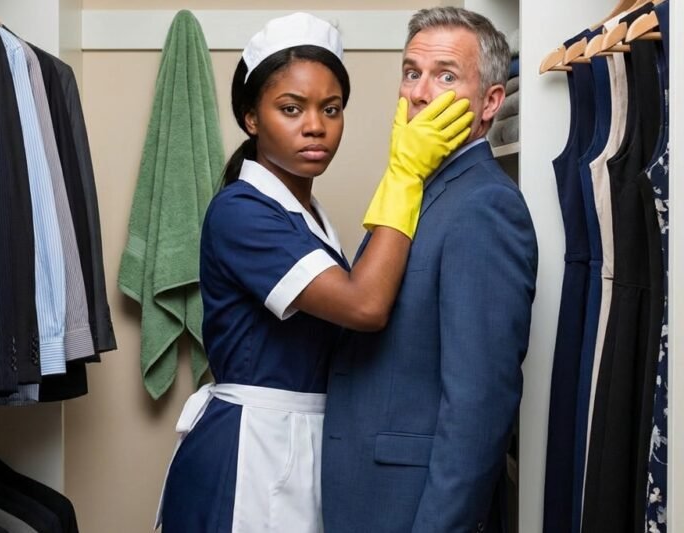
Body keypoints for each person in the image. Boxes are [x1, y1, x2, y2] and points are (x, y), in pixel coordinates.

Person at [157, 12, 474, 533]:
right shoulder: (241, 212)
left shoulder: (306, 213)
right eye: (291, 108)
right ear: (251, 118)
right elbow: (364, 305)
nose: (315, 126)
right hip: (251, 452)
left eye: (331, 109)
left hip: (297, 441)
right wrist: (405, 174)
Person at [321, 7, 539, 533]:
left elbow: (478, 407)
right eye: (411, 72)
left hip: (415, 507)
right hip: (369, 494)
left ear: (491, 102)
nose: (419, 93)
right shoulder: (413, 185)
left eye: (445, 76)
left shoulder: (485, 207)